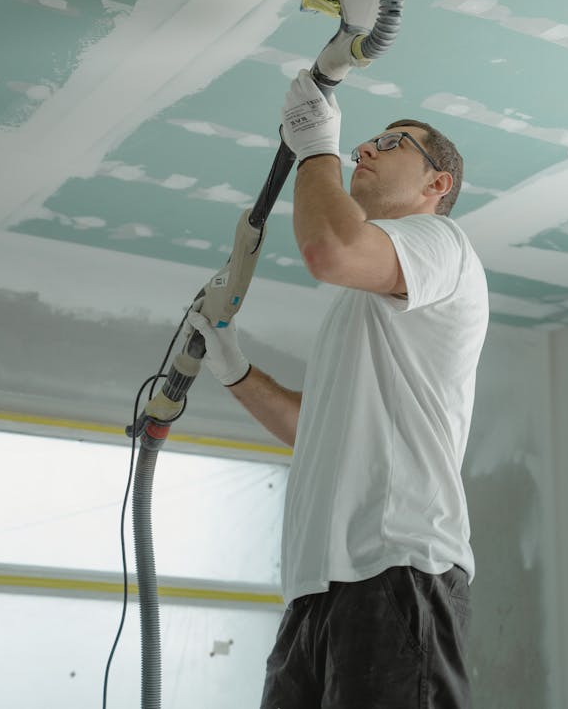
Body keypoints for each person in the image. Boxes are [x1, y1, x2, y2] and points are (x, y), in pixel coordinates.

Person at [187, 68, 489, 709]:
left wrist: (316, 148)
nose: (366, 149)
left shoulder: (442, 243)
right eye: (365, 141)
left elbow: (329, 249)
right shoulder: (363, 310)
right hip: (314, 587)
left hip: (400, 566)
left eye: (394, 142)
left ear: (439, 184)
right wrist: (233, 368)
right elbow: (313, 427)